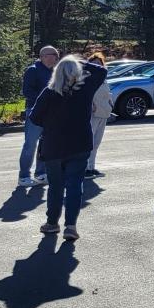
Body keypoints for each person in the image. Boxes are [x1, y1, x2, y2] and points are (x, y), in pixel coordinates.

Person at [29, 55, 107, 241]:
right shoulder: (86, 89)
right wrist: (78, 62)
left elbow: (34, 117)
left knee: (56, 186)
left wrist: (49, 123)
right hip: (80, 143)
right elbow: (101, 70)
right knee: (75, 185)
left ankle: (52, 222)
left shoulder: (49, 92)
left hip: (54, 145)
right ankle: (70, 226)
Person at [18, 45, 58, 188]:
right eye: (53, 54)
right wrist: (45, 100)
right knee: (30, 144)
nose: (56, 57)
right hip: (34, 111)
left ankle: (40, 174)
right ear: (44, 56)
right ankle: (23, 176)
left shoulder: (55, 71)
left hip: (50, 113)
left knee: (44, 144)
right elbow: (27, 91)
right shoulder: (33, 70)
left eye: (56, 55)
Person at [86, 52, 112, 178]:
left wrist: (110, 104)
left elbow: (107, 93)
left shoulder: (103, 79)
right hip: (92, 114)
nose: (97, 66)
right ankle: (85, 168)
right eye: (94, 63)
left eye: (99, 63)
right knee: (89, 143)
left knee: (96, 143)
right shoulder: (86, 78)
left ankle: (92, 167)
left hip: (104, 113)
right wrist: (90, 104)